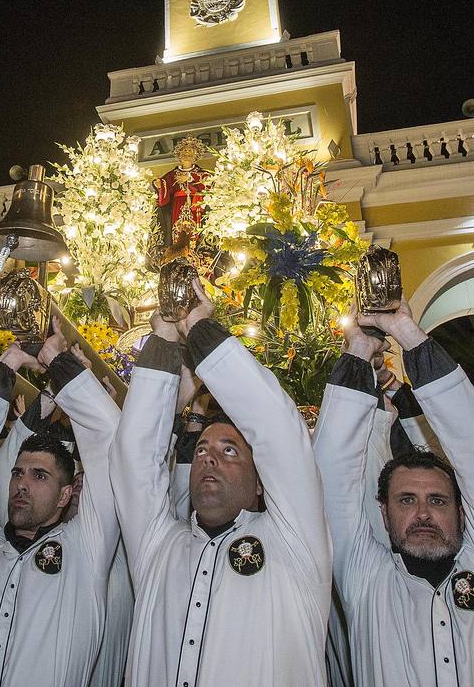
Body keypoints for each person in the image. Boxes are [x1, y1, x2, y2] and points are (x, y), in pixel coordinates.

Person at [313, 300, 474, 686]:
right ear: (383, 513)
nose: (423, 513)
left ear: (463, 513)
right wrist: (358, 349)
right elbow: (332, 471)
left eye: (438, 500)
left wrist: (409, 335)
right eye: (406, 500)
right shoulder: (367, 584)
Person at [111, 280, 332, 687]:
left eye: (230, 451)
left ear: (262, 482)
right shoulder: (158, 546)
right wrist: (160, 338)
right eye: (201, 450)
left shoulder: (294, 542)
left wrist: (198, 325)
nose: (209, 456)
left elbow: (278, 428)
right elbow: (134, 458)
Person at [0, 321, 121, 687]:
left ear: (65, 494)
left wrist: (57, 360)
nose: (22, 484)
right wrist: (11, 359)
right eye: (17, 473)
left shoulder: (86, 550)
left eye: (39, 476)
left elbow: (110, 443)